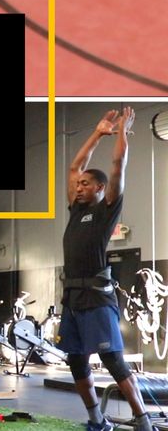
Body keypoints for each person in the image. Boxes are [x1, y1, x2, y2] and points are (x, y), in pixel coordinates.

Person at [61, 107, 150, 431]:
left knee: (113, 360)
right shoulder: (75, 212)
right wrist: (97, 133)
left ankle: (142, 421)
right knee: (75, 361)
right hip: (72, 298)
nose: (79, 186)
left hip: (98, 298)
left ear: (99, 189)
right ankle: (97, 420)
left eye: (86, 184)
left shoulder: (106, 210)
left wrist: (121, 133)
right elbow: (74, 166)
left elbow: (117, 166)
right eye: (79, 184)